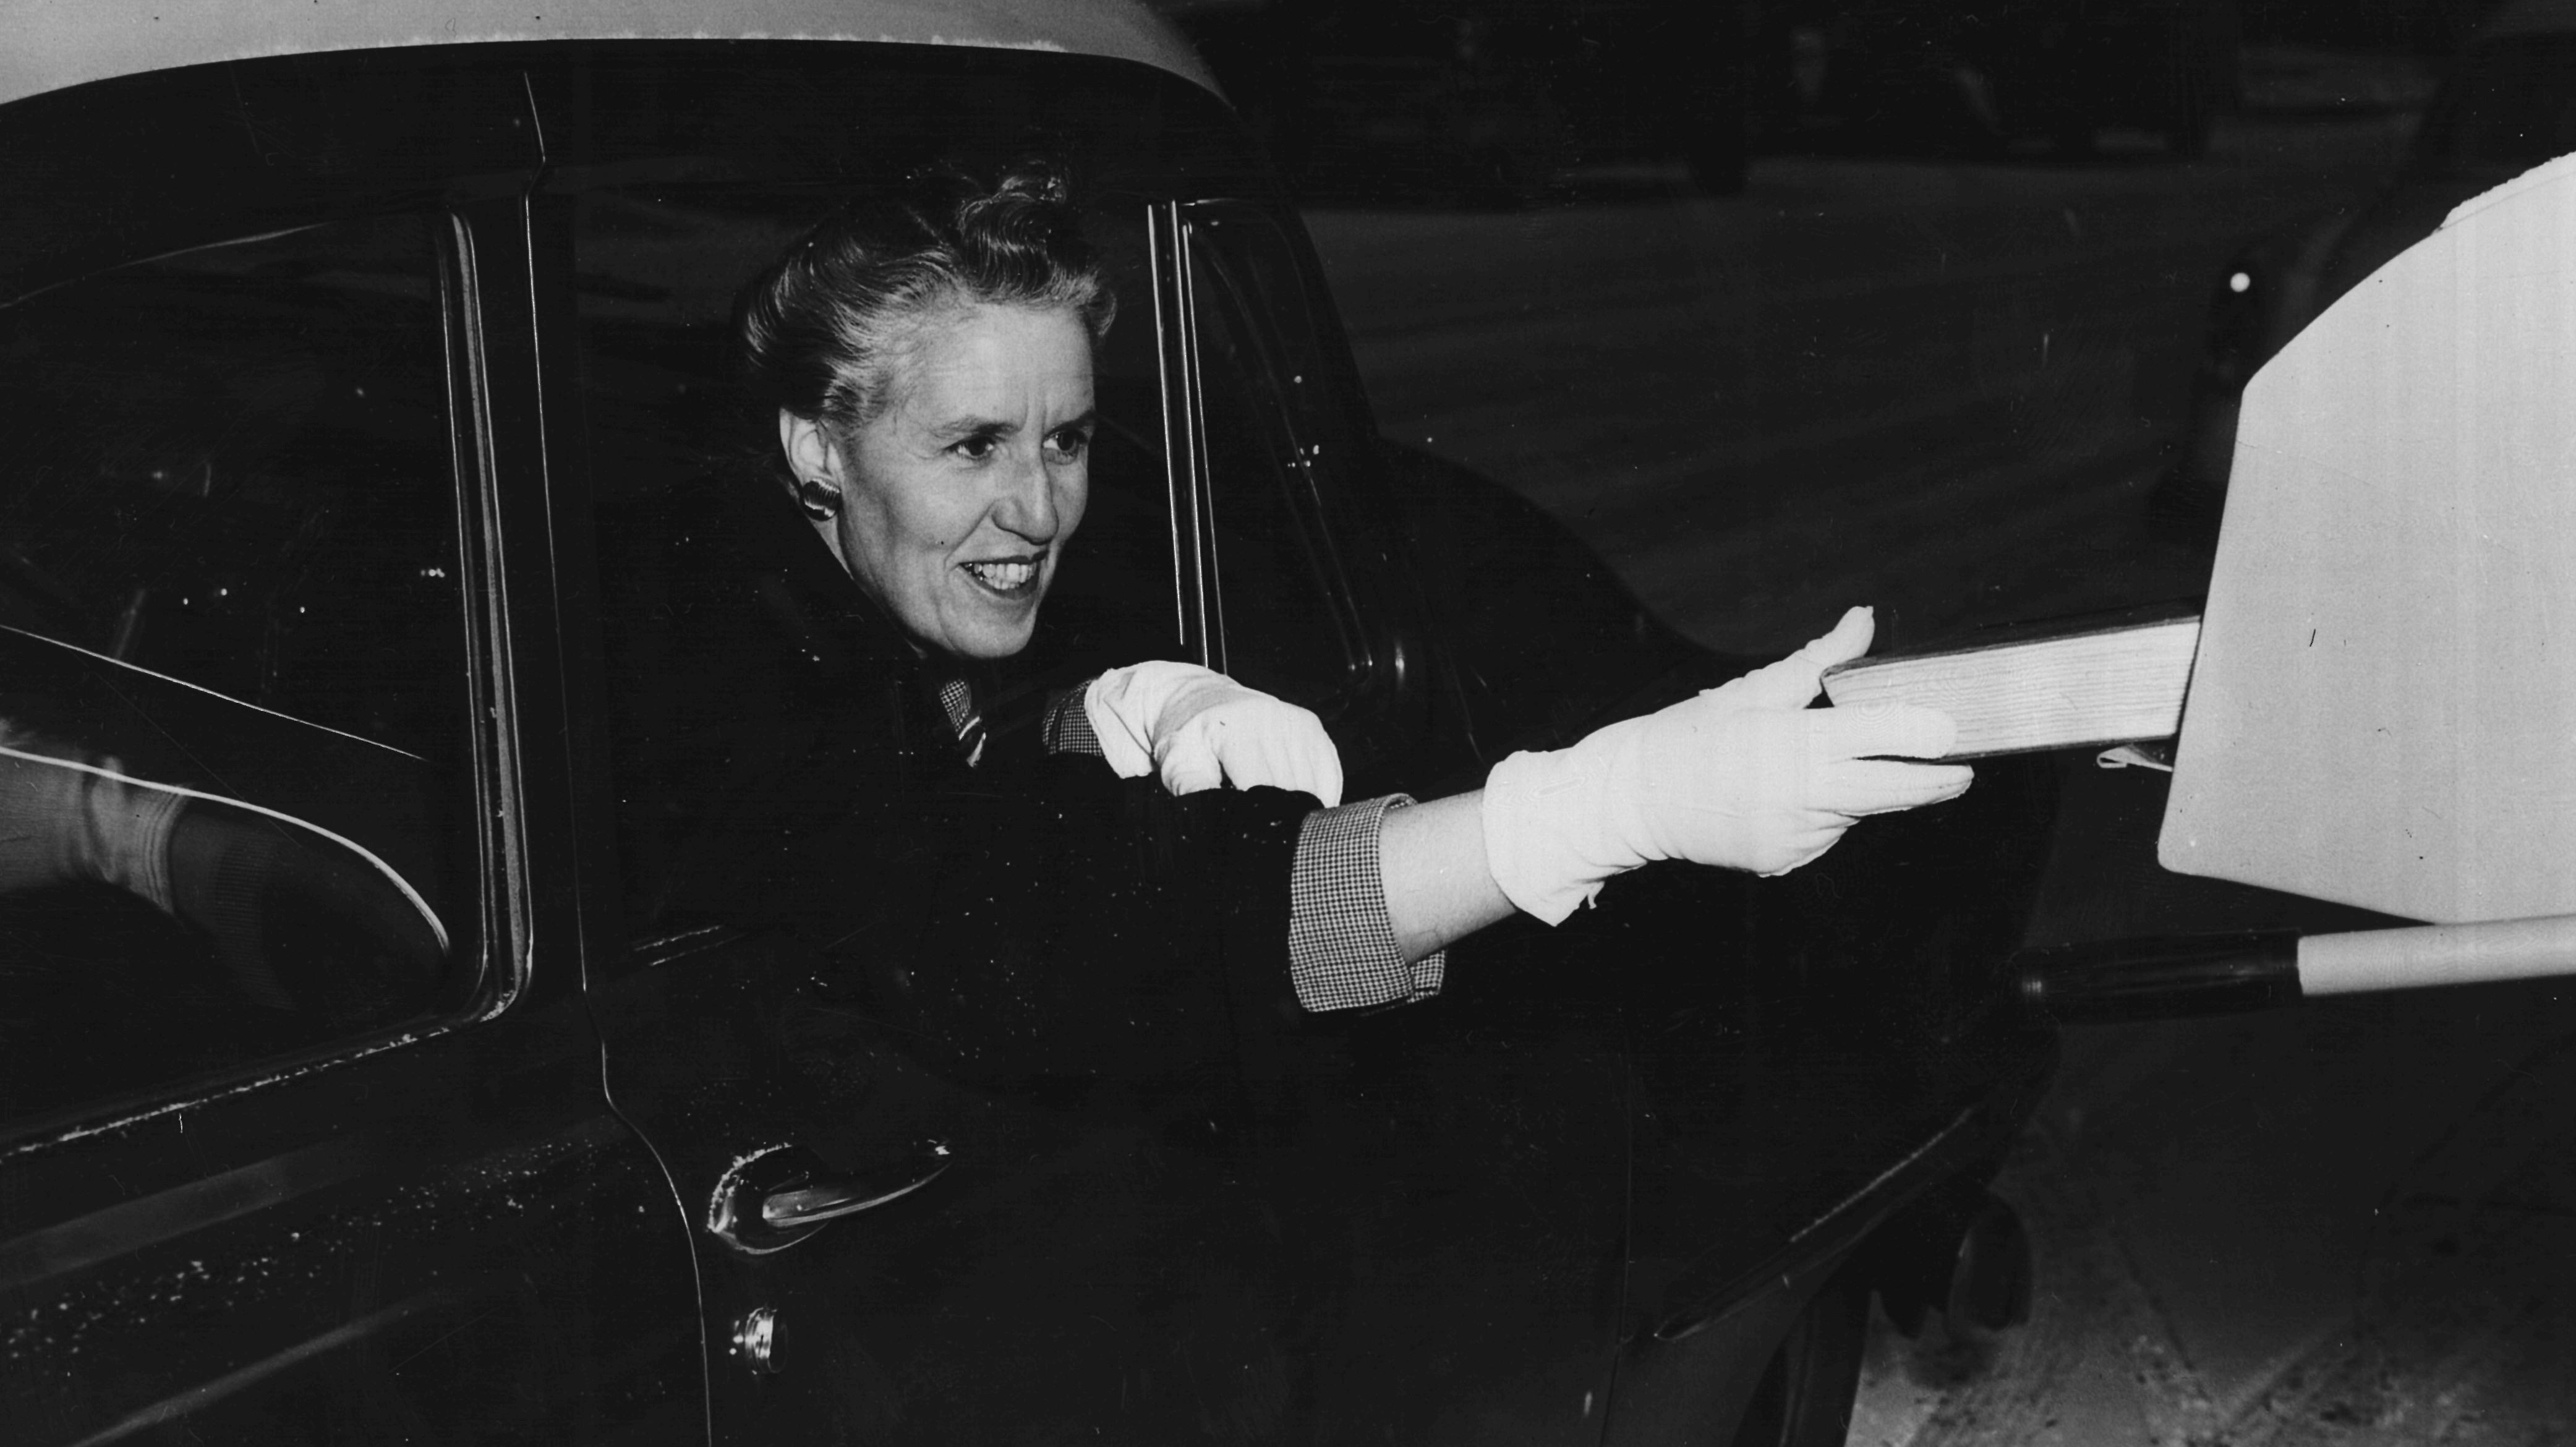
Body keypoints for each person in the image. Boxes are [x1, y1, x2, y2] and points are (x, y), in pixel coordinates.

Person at [605, 158, 1968, 1083]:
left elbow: (935, 776)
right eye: (971, 446)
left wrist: (1097, 709)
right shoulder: (716, 671)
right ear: (816, 446)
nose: (1039, 507)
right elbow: (1054, 948)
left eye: (1065, 439)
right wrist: (1601, 809)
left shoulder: (805, 586)